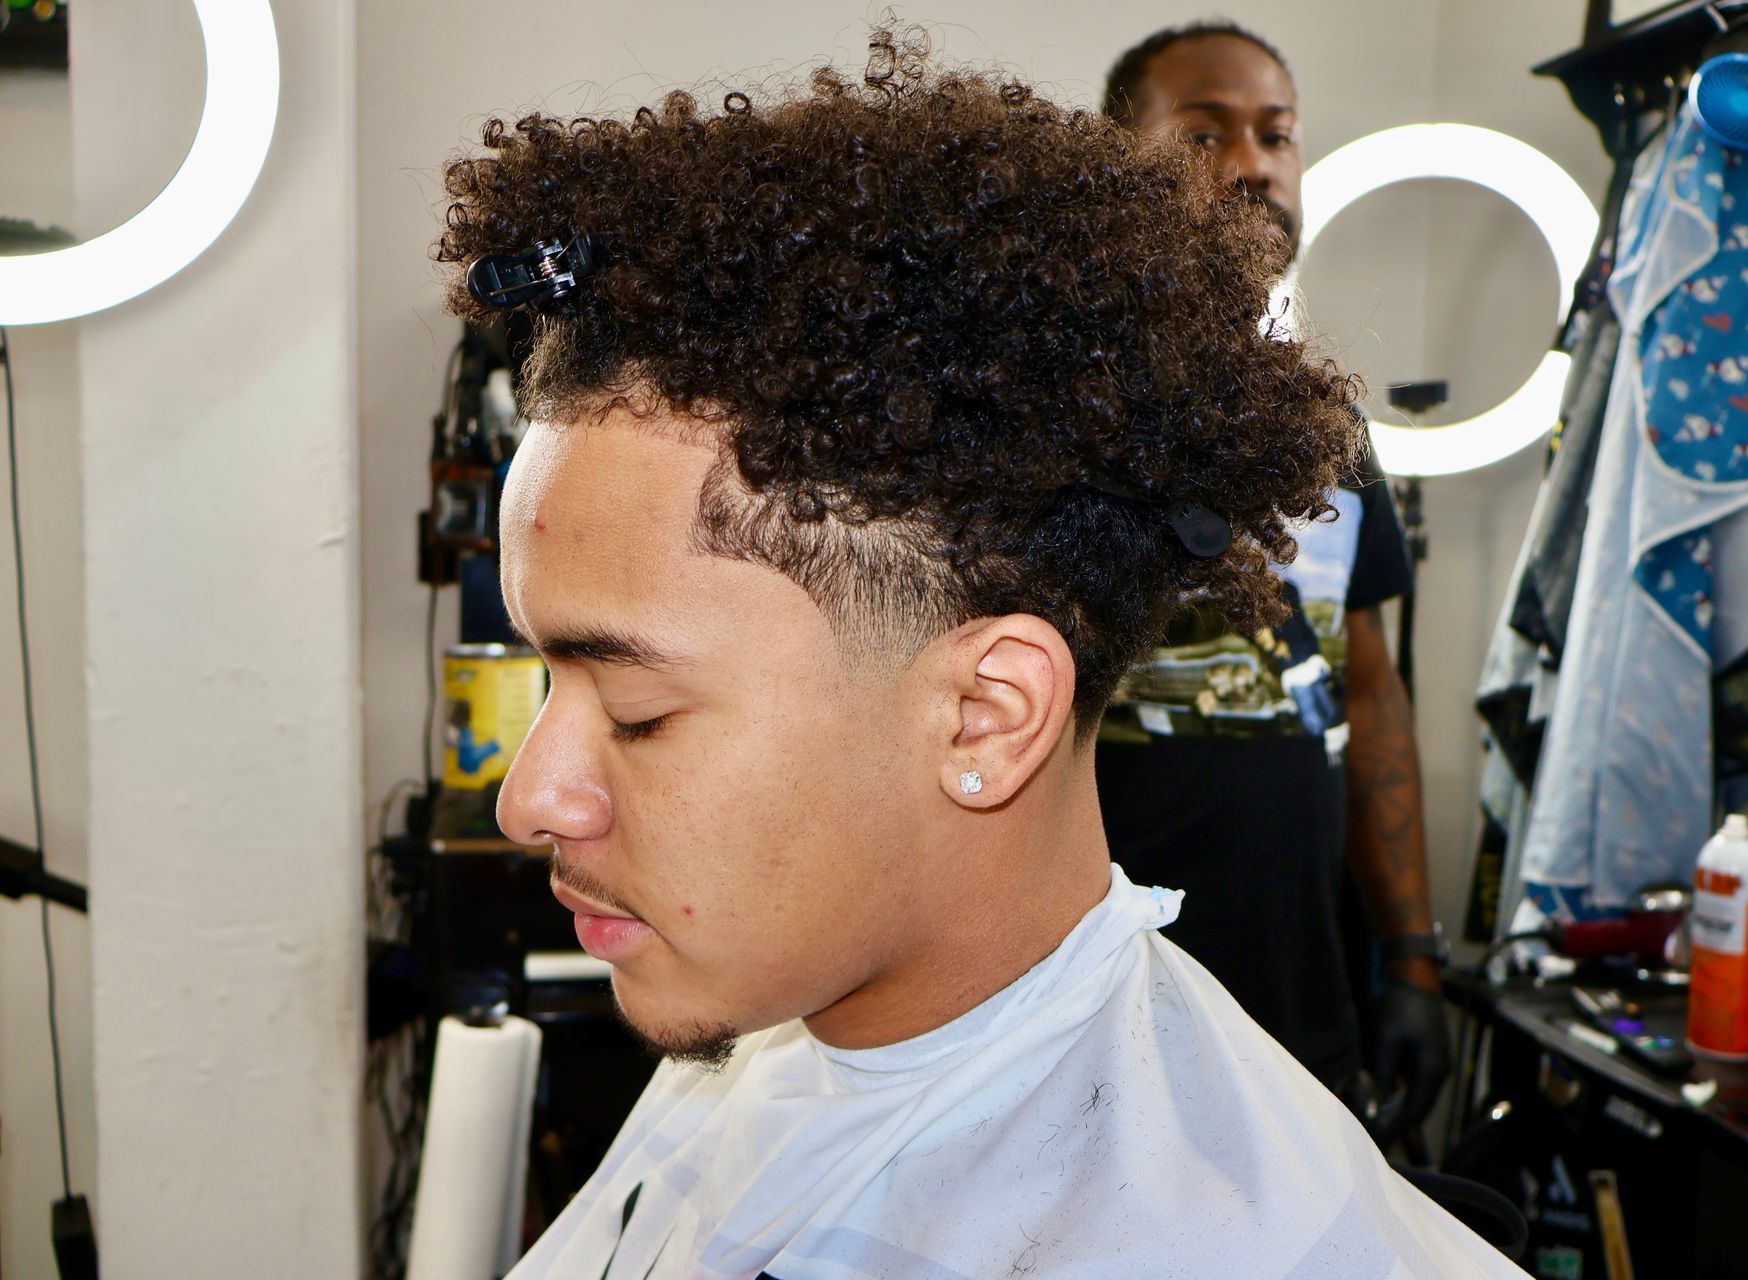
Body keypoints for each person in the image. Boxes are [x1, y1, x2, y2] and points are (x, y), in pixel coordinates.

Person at [436, 30, 1520, 1278]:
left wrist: (1412, 953)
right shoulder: (780, 1039)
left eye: (635, 710)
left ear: (987, 714)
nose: (531, 798)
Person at [1098, 21, 1452, 1145]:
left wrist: (1413, 954)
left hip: (1302, 1002)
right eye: (1204, 134)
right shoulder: (1049, 397)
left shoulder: (1322, 416)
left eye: (1276, 133)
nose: (1253, 163)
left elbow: (1367, 684)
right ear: (1123, 158)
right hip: (1095, 1013)